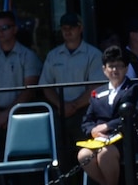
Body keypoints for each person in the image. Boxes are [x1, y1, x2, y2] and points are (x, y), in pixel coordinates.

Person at [0, 10, 42, 163]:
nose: (0, 32)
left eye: (5, 28)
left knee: (24, 164)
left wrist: (7, 114)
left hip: (22, 115)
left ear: (15, 29)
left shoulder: (28, 56)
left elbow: (29, 90)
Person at [77, 45, 138, 185]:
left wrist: (107, 126)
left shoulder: (134, 89)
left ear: (126, 68)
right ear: (104, 70)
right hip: (100, 140)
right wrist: (93, 131)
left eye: (119, 66)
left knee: (106, 153)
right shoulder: (97, 93)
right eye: (111, 66)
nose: (115, 70)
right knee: (84, 155)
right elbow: (87, 121)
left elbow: (135, 114)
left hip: (124, 139)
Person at [39, 12, 99, 153]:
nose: (68, 31)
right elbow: (46, 86)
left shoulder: (94, 54)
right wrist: (61, 105)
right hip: (59, 113)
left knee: (86, 153)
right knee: (61, 155)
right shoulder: (52, 55)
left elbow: (96, 86)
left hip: (85, 112)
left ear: (80, 28)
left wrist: (74, 105)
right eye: (64, 28)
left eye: (72, 27)